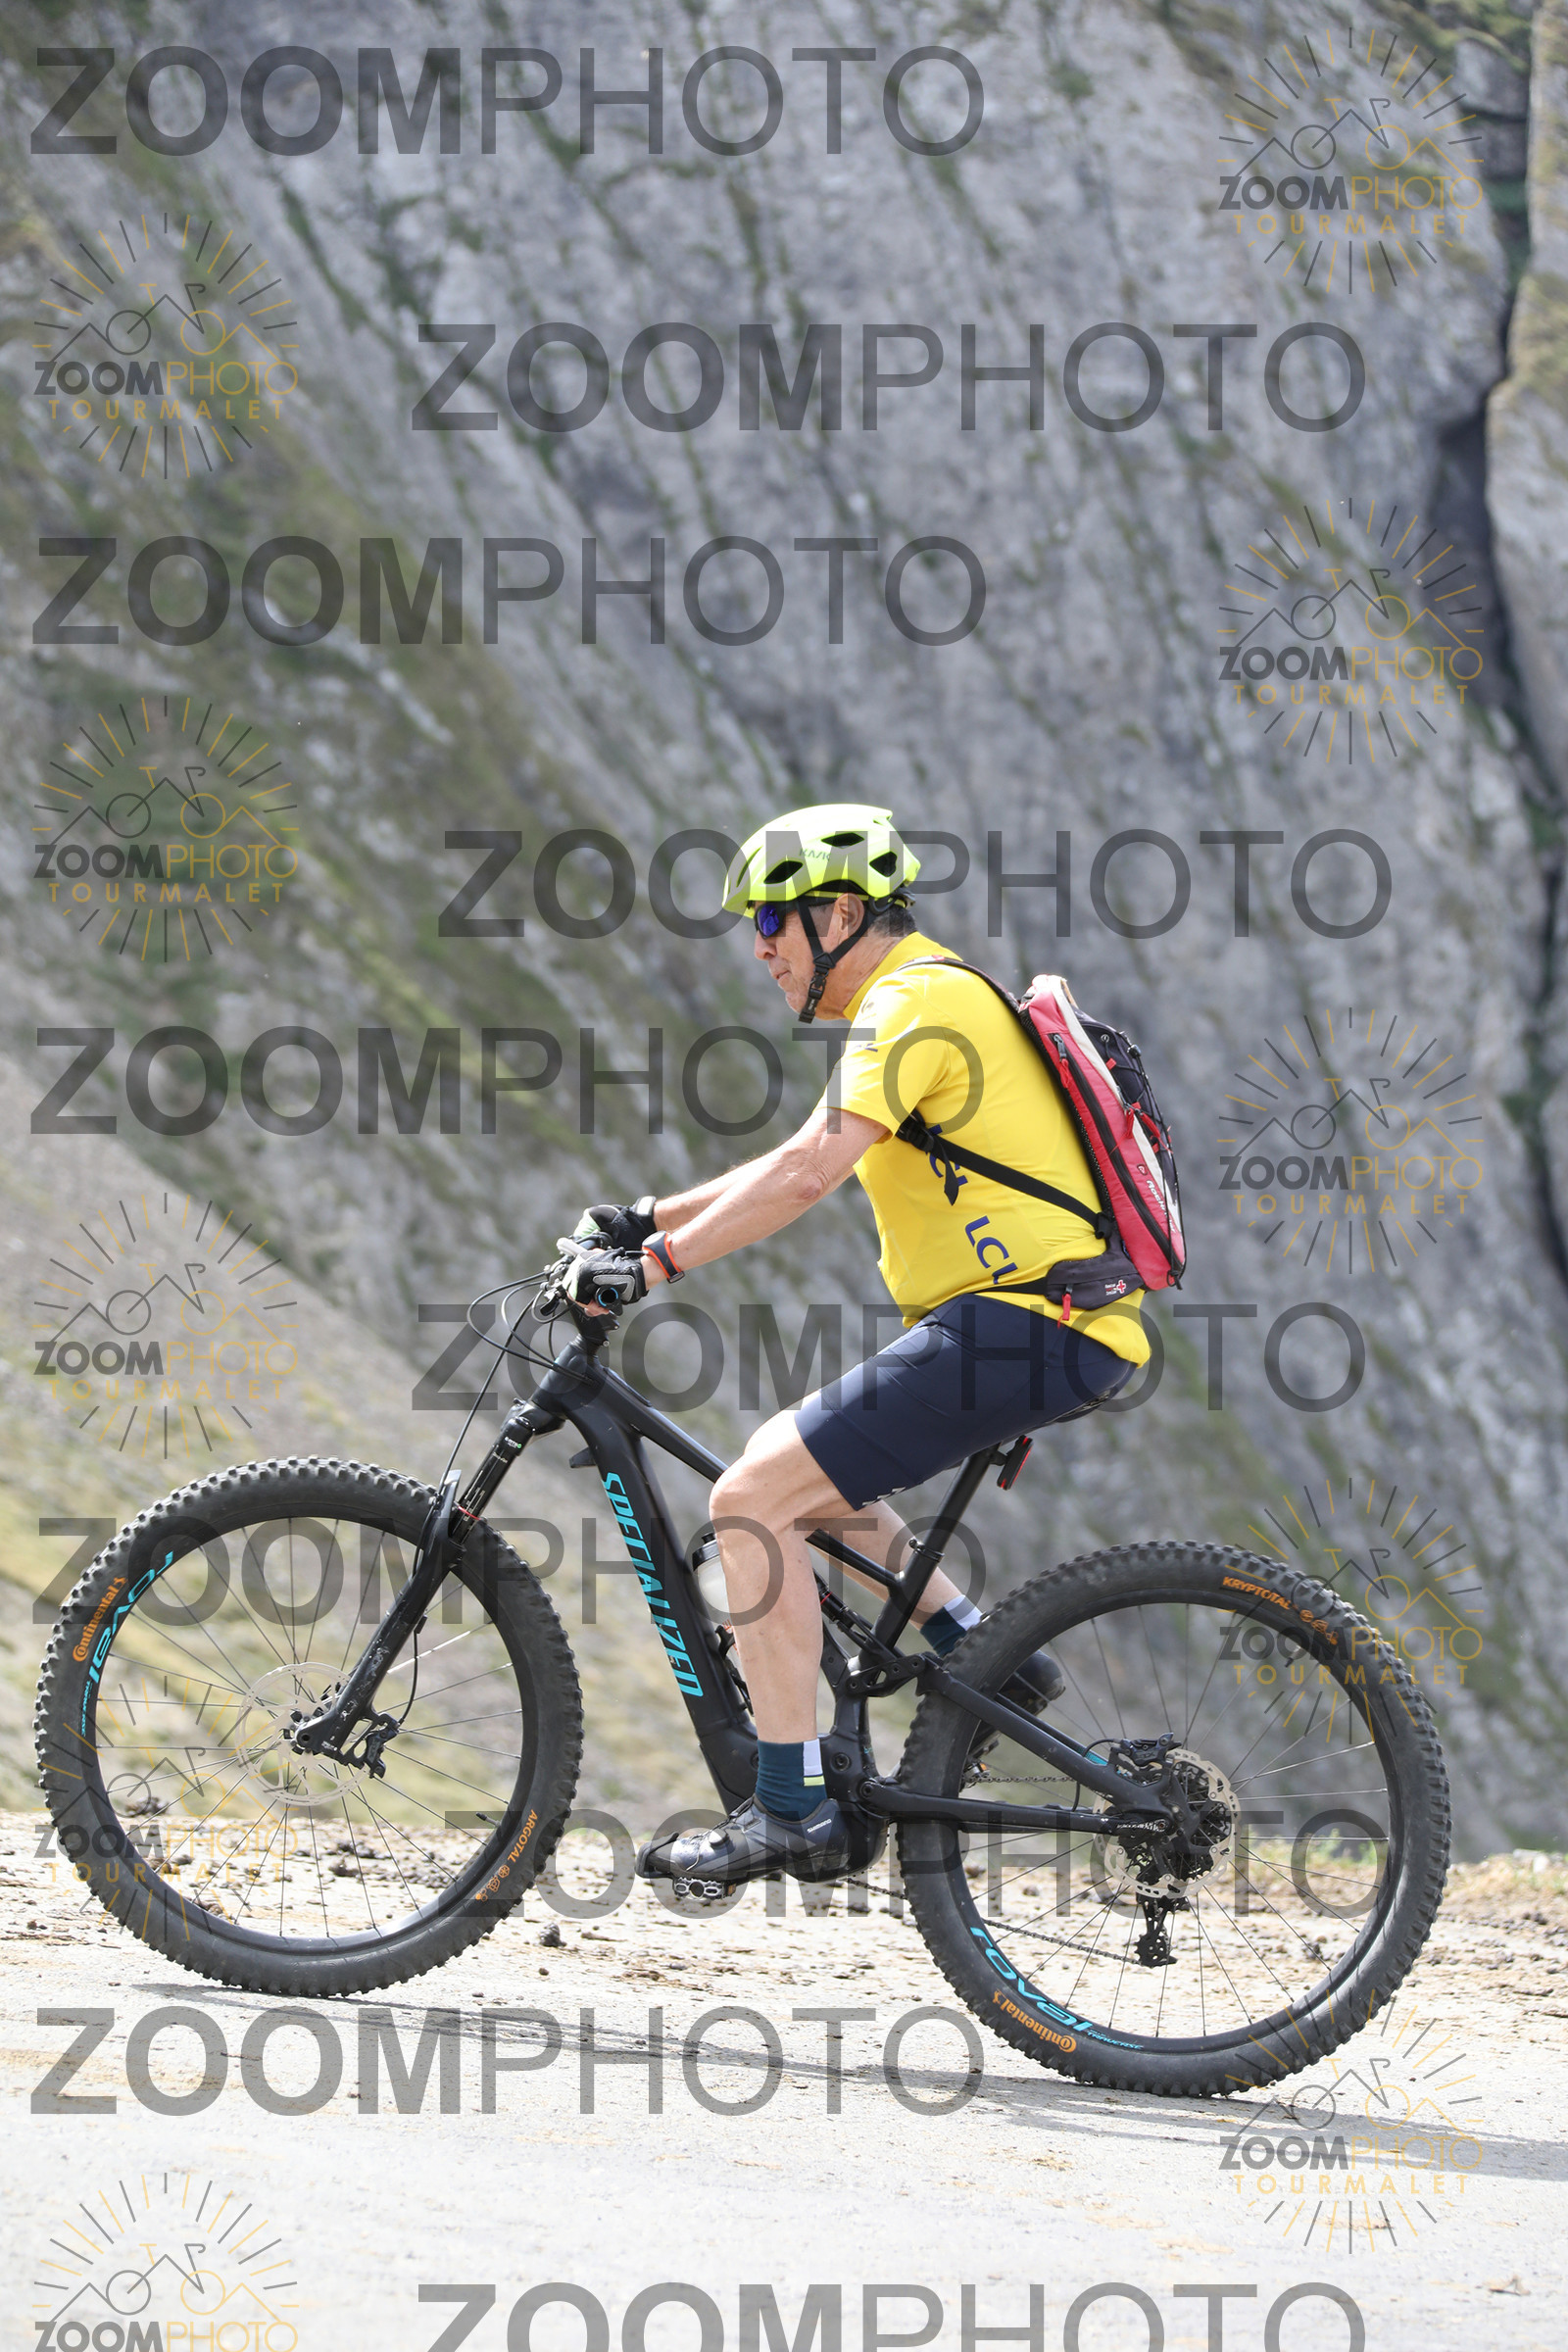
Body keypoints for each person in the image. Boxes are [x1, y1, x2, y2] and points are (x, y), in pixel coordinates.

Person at [565, 804, 1150, 1888]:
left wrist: (654, 1269)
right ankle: (982, 1654)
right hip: (1029, 1323)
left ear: (837, 913)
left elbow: (805, 1176)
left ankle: (790, 1811)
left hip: (1025, 1322)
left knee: (751, 1502)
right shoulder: (920, 997)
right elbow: (795, 1152)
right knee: (794, 1477)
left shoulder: (918, 1001)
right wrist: (645, 1219)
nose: (759, 948)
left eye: (771, 922)